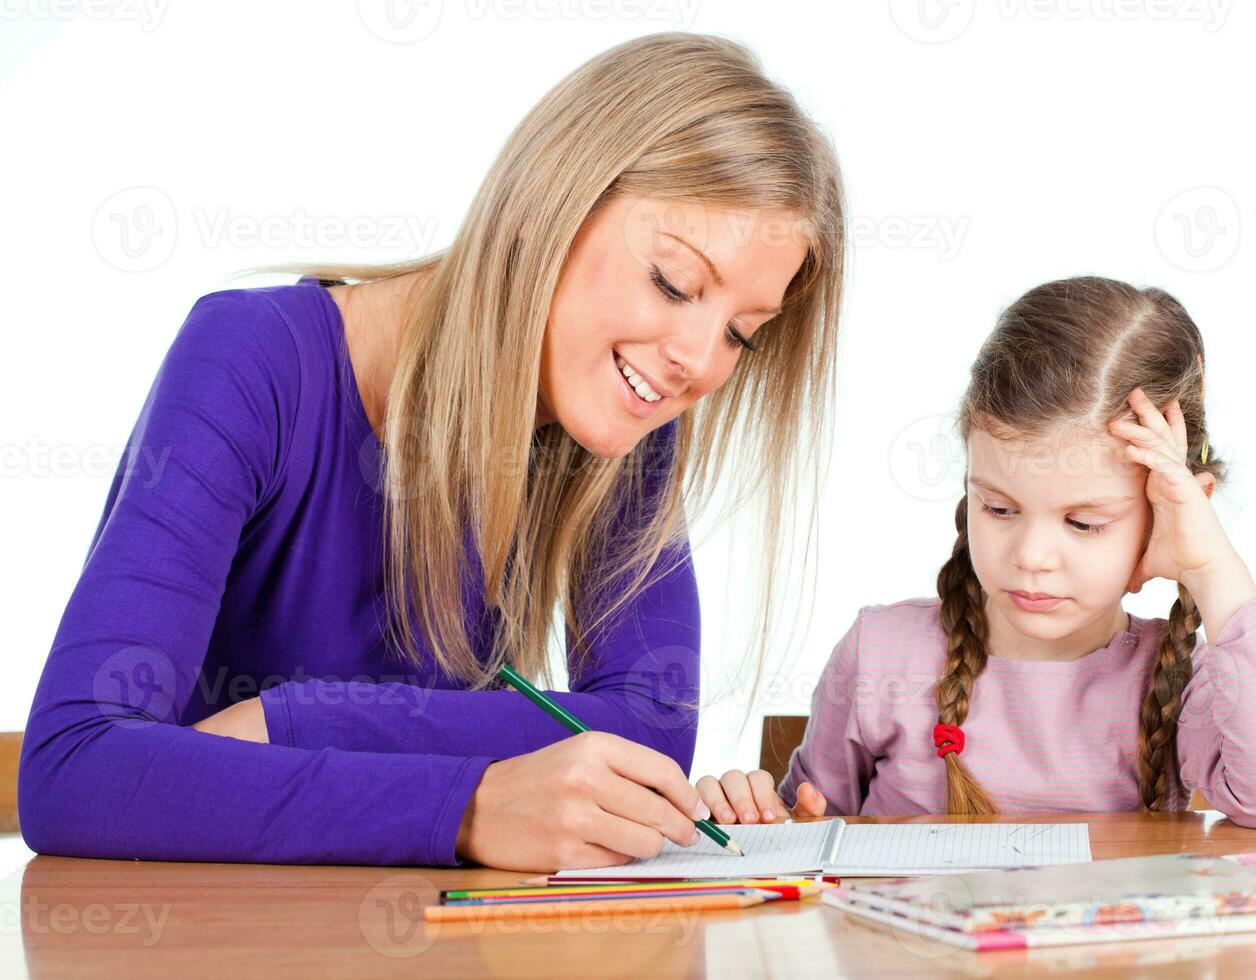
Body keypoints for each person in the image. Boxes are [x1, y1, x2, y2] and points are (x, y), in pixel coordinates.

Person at [20, 33, 845, 872]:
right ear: (544, 210)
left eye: (743, 333)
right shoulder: (252, 359)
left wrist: (295, 721)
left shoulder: (625, 410)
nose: (700, 363)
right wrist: (466, 809)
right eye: (672, 283)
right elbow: (73, 769)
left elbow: (649, 723)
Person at [698, 277, 1256, 830]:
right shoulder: (881, 654)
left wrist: (1210, 565)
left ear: (1167, 515)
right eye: (999, 509)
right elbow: (807, 826)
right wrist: (764, 820)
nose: (1031, 555)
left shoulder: (1179, 679)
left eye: (1084, 523)